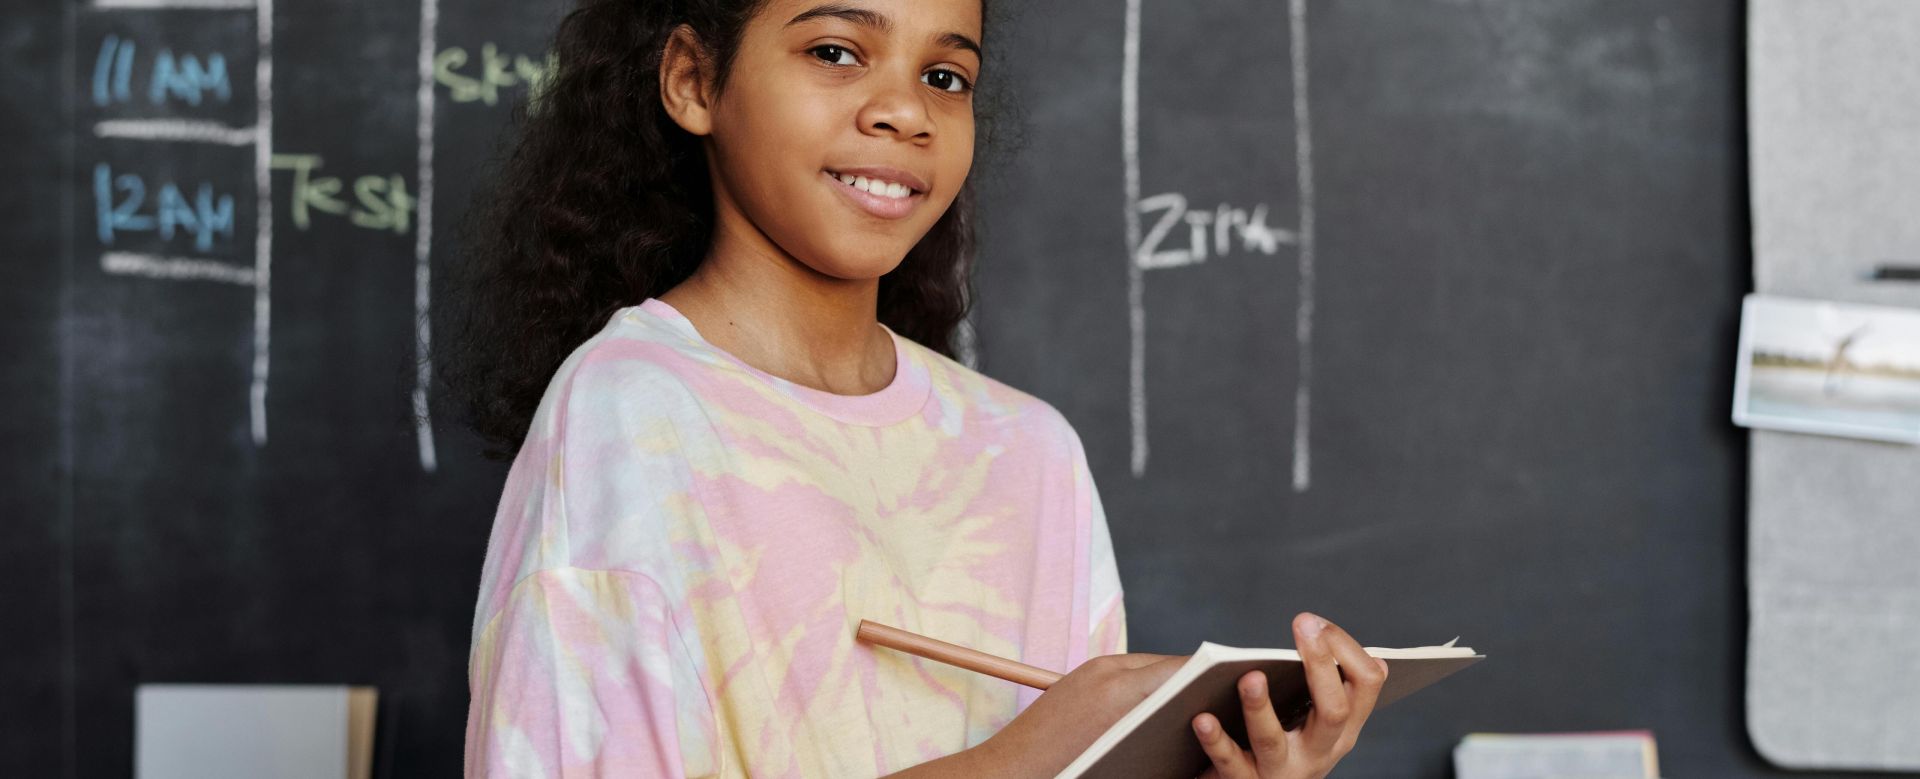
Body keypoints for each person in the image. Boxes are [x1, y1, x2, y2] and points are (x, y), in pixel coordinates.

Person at [443, 0, 1388, 776]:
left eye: (946, 77)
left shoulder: (1029, 451)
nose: (906, 111)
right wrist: (1022, 757)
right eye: (837, 51)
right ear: (694, 80)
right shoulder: (627, 417)